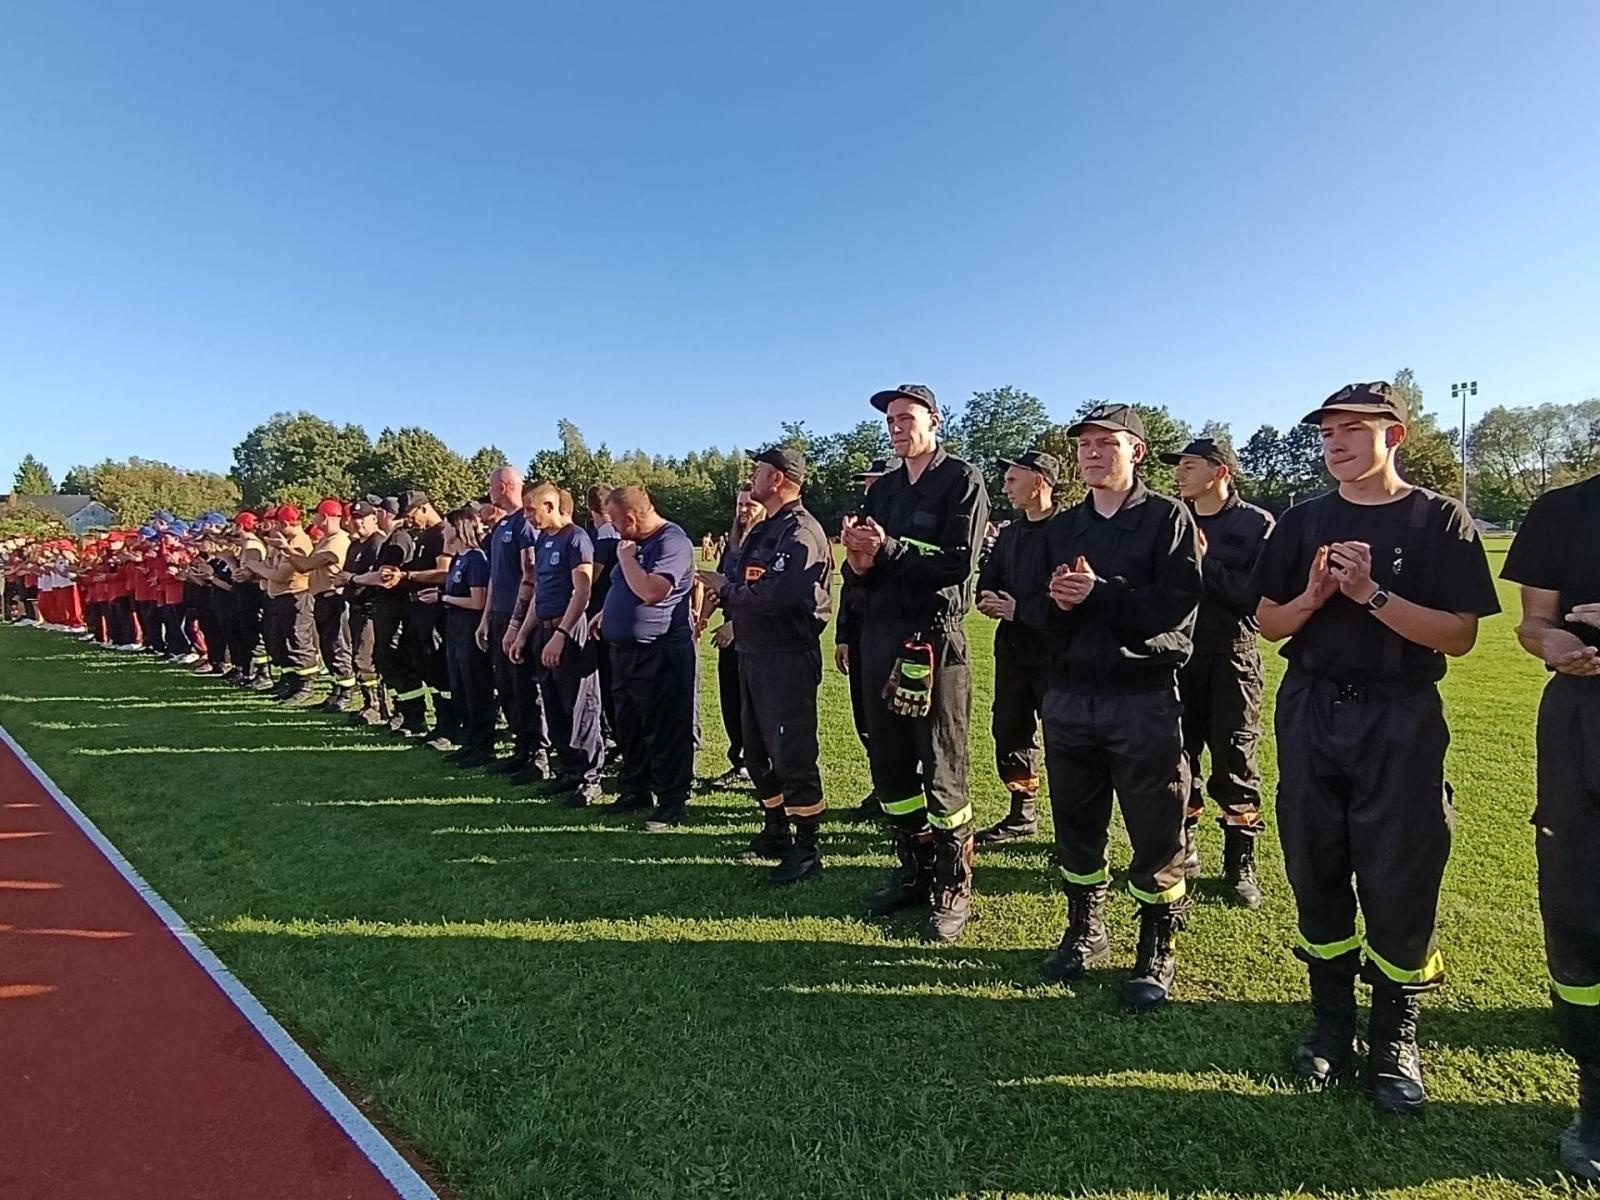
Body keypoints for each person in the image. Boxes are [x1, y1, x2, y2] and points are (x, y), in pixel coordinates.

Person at [1254, 380, 1499, 1113]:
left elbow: (1459, 635)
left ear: (1395, 436)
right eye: (1327, 432)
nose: (1335, 443)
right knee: (1315, 863)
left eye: (1352, 430)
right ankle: (1331, 1022)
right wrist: (1314, 599)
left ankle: (1396, 1036)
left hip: (1400, 713)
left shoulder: (1437, 519)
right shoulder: (1303, 521)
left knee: (1401, 873)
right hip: (1311, 706)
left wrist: (1370, 595)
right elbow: (1269, 622)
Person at [1038, 404, 1202, 1011]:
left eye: (1106, 442)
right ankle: (1085, 930)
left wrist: (1100, 595)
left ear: (1136, 451)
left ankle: (1157, 948)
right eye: (1084, 443)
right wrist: (1058, 603)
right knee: (1076, 825)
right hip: (1070, 695)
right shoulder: (1064, 526)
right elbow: (1038, 607)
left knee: (1156, 829)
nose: (1091, 452)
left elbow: (1175, 607)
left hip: (1141, 697)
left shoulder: (1166, 517)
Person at [845, 384, 989, 944]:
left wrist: (887, 549)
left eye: (906, 417)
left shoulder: (962, 480)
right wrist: (859, 561)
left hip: (932, 639)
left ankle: (954, 885)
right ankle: (914, 869)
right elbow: (865, 570)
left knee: (941, 762)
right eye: (891, 420)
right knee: (890, 763)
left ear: (934, 421)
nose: (896, 427)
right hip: (881, 636)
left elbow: (958, 563)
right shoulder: (883, 489)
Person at [1500, 469, 1600, 1178]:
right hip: (1580, 720)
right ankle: (1595, 1092)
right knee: (1576, 907)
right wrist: (1551, 646)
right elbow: (1534, 623)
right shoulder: (1563, 509)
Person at [702, 446, 834, 884]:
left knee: (792, 753)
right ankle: (776, 828)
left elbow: (779, 595)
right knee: (757, 752)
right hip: (754, 653)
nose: (752, 476)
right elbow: (745, 580)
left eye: (759, 470)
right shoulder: (765, 529)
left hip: (786, 657)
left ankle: (807, 847)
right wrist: (728, 590)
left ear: (777, 478)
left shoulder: (801, 532)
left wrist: (727, 589)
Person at [1162, 436, 1275, 908]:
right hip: (1177, 655)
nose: (1180, 473)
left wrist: (1204, 560)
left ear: (1220, 471)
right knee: (1176, 756)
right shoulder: (1171, 518)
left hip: (1231, 656)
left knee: (1235, 758)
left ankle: (1239, 862)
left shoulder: (1255, 524)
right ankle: (1183, 846)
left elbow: (1254, 599)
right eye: (1179, 466)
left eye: (1190, 465)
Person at [973, 450, 1062, 847]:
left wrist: (1019, 610)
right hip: (1012, 652)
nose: (1005, 487)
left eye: (1012, 480)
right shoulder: (1009, 535)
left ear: (1038, 482)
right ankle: (1021, 815)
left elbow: (1074, 598)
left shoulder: (1070, 532)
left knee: (1065, 741)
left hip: (1057, 656)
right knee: (1010, 731)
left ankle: (1075, 831)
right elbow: (987, 581)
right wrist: (987, 598)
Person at [599, 485, 698, 830]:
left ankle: (672, 800)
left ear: (630, 518)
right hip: (625, 653)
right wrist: (607, 614)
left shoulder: (672, 542)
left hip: (661, 652)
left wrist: (627, 559)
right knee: (629, 725)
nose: (613, 528)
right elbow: (625, 586)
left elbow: (654, 591)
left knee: (665, 727)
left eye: (615, 521)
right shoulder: (633, 542)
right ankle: (635, 790)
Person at [510, 481, 604, 804]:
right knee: (554, 704)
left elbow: (582, 591)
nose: (526, 516)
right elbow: (539, 593)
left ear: (549, 506)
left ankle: (590, 777)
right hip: (544, 631)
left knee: (580, 706)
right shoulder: (543, 540)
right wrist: (523, 633)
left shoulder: (576, 538)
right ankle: (568, 771)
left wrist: (562, 635)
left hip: (569, 632)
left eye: (530, 509)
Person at [834, 456, 897, 820]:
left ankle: (899, 789)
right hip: (861, 637)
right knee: (865, 716)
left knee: (893, 718)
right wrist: (843, 635)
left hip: (893, 636)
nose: (868, 489)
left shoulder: (894, 532)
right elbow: (850, 588)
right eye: (867, 483)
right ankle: (882, 786)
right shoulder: (860, 527)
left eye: (876, 481)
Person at [478, 470, 545, 779]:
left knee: (525, 685)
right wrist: (486, 618)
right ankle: (521, 748)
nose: (488, 491)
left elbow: (530, 573)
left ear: (503, 486)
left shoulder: (524, 524)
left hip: (519, 616)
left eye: (491, 485)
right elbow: (495, 577)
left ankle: (538, 754)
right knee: (506, 686)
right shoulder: (502, 525)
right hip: (499, 615)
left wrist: (517, 624)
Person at [419, 508, 495, 766]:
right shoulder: (457, 560)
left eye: (448, 526)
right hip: (455, 629)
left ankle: (483, 744)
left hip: (470, 629)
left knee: (475, 687)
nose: (444, 531)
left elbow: (477, 601)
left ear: (459, 528)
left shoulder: (476, 559)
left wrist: (443, 597)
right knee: (459, 686)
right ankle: (469, 741)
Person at [386, 492, 459, 750]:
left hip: (436, 615)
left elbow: (443, 572)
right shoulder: (423, 536)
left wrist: (407, 575)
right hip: (419, 614)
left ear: (424, 508)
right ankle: (439, 723)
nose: (409, 521)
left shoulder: (441, 535)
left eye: (411, 515)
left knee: (441, 672)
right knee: (429, 672)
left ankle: (451, 728)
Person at [707, 486, 766, 788]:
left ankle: (765, 768)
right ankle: (741, 763)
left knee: (758, 706)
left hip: (757, 638)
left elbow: (765, 596)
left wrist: (736, 626)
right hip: (729, 637)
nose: (743, 510)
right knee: (731, 702)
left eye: (750, 505)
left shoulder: (767, 544)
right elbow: (722, 585)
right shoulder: (732, 547)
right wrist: (703, 616)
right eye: (740, 504)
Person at [284, 499, 357, 711]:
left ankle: (346, 692)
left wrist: (285, 549)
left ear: (324, 517)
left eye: (316, 514)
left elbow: (305, 565)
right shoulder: (326, 540)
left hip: (334, 598)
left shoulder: (337, 541)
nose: (313, 518)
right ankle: (336, 690)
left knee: (338, 646)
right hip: (322, 597)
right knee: (328, 648)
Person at [256, 505, 320, 704]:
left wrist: (254, 567)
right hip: (281, 597)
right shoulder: (284, 542)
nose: (273, 527)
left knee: (298, 640)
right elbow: (270, 566)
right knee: (282, 641)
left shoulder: (299, 544)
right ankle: (289, 681)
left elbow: (280, 575)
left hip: (296, 596)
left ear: (284, 523)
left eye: (276, 523)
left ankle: (305, 684)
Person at [340, 501, 389, 723]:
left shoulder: (377, 543)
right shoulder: (354, 545)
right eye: (355, 518)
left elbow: (378, 576)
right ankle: (370, 703)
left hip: (371, 608)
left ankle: (377, 705)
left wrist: (352, 579)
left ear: (374, 518)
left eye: (362, 518)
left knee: (365, 658)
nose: (358, 522)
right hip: (355, 607)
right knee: (358, 657)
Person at [586, 483, 621, 742]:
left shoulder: (604, 538)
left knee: (607, 678)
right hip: (618, 611)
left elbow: (590, 578)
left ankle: (612, 732)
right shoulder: (620, 533)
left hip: (601, 614)